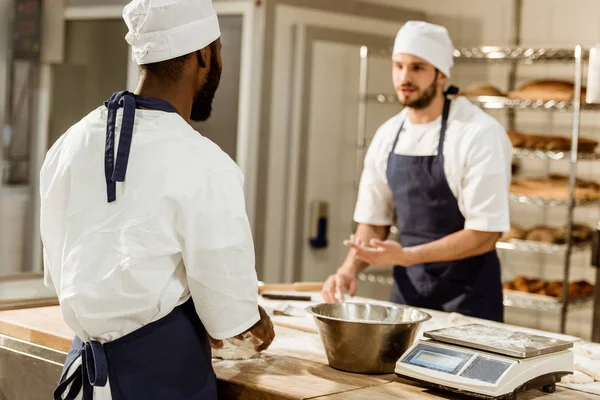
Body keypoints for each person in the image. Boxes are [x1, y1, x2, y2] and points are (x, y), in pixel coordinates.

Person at [40, 1, 274, 399]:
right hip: (162, 383)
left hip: (83, 379)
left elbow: (59, 277)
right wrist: (260, 325)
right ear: (205, 54)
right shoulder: (205, 163)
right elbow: (233, 324)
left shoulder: (71, 142)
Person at [322, 21, 512, 322]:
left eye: (417, 68)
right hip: (408, 299)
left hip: (469, 303)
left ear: (441, 74)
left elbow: (485, 234)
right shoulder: (388, 134)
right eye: (398, 66)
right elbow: (373, 222)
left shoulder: (478, 133)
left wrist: (407, 256)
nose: (404, 77)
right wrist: (347, 270)